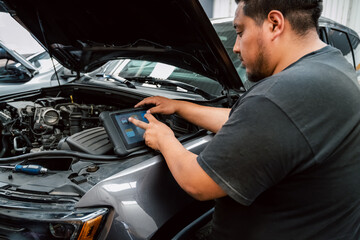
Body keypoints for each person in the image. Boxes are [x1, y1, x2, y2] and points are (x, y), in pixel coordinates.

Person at [129, 0, 360, 239]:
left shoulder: (280, 94)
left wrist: (165, 138)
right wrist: (181, 107)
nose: (236, 47)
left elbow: (197, 182)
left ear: (274, 24)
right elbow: (251, 124)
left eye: (240, 32)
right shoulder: (332, 66)